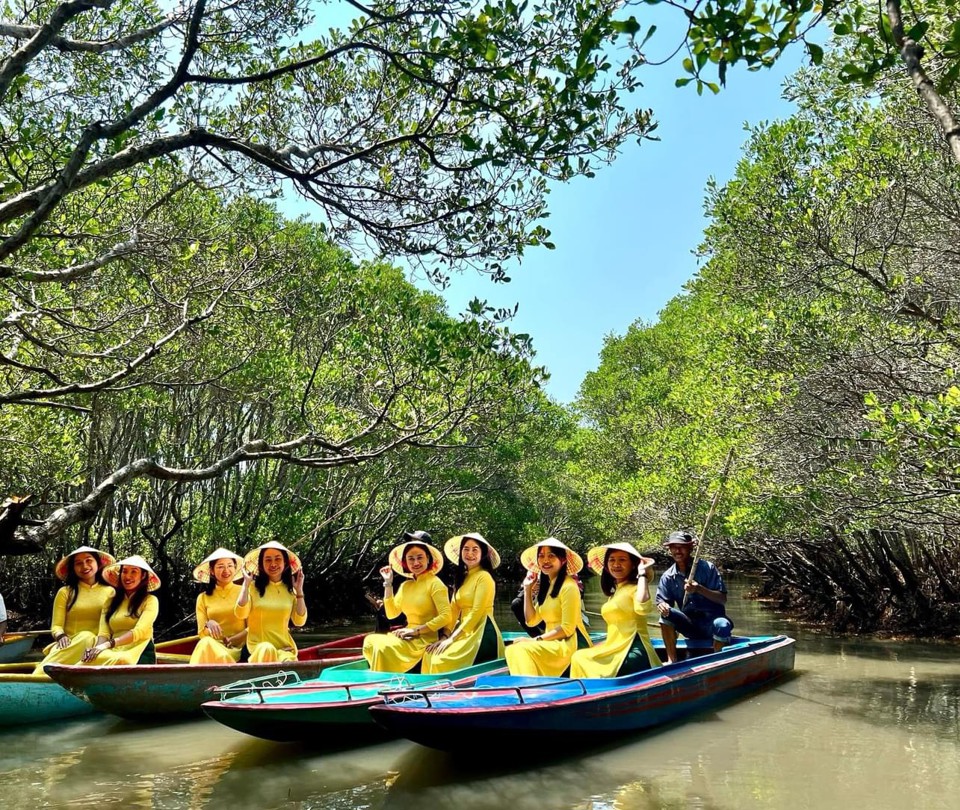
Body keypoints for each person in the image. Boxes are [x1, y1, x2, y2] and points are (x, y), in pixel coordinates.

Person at [362, 530, 451, 673]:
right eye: (411, 559)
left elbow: (446, 616)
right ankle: (381, 677)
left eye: (420, 557)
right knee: (371, 641)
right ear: (405, 562)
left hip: (424, 639)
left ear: (428, 559)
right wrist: (388, 584)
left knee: (382, 647)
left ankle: (383, 682)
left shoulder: (436, 583)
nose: (416, 562)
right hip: (407, 635)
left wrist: (416, 630)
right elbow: (391, 614)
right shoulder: (405, 586)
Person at [569, 542, 661, 678]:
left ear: (633, 564)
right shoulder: (615, 593)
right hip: (615, 648)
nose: (616, 564)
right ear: (606, 565)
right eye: (612, 560)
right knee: (579, 656)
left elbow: (643, 608)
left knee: (583, 659)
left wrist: (642, 575)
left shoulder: (635, 588)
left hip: (634, 648)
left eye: (622, 560)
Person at [504, 537, 592, 677]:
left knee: (520, 650)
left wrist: (535, 640)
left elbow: (567, 629)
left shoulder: (569, 587)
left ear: (562, 560)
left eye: (551, 556)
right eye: (541, 556)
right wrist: (527, 589)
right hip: (552, 642)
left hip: (569, 644)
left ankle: (530, 689)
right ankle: (529, 687)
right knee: (512, 648)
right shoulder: (549, 586)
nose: (545, 560)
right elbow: (531, 621)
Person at [422, 532, 504, 674]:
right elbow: (453, 612)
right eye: (466, 549)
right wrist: (444, 637)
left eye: (475, 549)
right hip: (465, 632)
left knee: (440, 660)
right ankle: (427, 692)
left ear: (483, 554)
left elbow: (476, 612)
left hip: (482, 632)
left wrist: (452, 639)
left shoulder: (484, 577)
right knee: (430, 653)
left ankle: (440, 693)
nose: (470, 553)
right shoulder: (462, 577)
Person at [33, 545, 115, 673]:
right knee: (86, 637)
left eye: (89, 560)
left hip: (97, 648)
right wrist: (61, 636)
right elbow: (56, 626)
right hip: (69, 646)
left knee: (89, 637)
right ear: (73, 569)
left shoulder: (110, 592)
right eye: (78, 563)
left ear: (98, 563)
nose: (85, 566)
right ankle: (38, 677)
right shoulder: (65, 592)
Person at [656, 530, 733, 664]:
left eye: (682, 547)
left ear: (691, 548)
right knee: (665, 615)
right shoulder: (668, 576)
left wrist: (699, 589)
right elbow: (663, 601)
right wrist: (662, 606)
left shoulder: (708, 568)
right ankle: (672, 661)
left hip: (712, 623)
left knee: (722, 624)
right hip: (689, 624)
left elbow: (722, 599)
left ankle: (717, 661)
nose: (677, 551)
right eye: (674, 547)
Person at [79, 555, 161, 665]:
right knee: (90, 660)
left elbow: (139, 632)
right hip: (113, 649)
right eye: (125, 571)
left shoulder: (150, 600)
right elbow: (104, 633)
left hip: (139, 650)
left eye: (134, 572)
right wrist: (96, 649)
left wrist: (108, 644)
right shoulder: (110, 601)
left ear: (143, 576)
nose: (127, 576)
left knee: (122, 660)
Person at [236, 540, 307, 663]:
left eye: (277, 559)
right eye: (268, 560)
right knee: (267, 649)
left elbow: (299, 621)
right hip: (258, 648)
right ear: (261, 564)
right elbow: (240, 614)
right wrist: (245, 585)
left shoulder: (291, 591)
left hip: (284, 648)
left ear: (285, 562)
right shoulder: (252, 587)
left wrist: (299, 591)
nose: (273, 564)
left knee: (289, 662)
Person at [189, 548, 247, 665]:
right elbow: (202, 634)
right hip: (213, 646)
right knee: (205, 643)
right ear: (211, 571)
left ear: (235, 568)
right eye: (220, 566)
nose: (226, 570)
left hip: (239, 649)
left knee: (208, 647)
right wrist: (208, 623)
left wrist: (232, 640)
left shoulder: (244, 592)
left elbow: (253, 628)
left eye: (230, 565)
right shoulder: (203, 597)